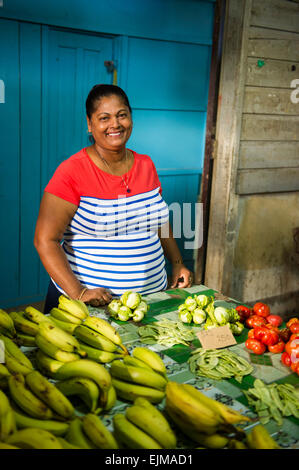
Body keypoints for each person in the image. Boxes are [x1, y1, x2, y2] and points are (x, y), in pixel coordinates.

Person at [34, 84, 193, 312]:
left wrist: (177, 264)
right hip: (93, 305)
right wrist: (79, 293)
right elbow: (44, 240)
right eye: (104, 118)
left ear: (131, 118)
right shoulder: (71, 172)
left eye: (122, 115)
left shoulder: (145, 164)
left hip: (150, 300)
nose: (115, 124)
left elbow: (158, 221)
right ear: (90, 124)